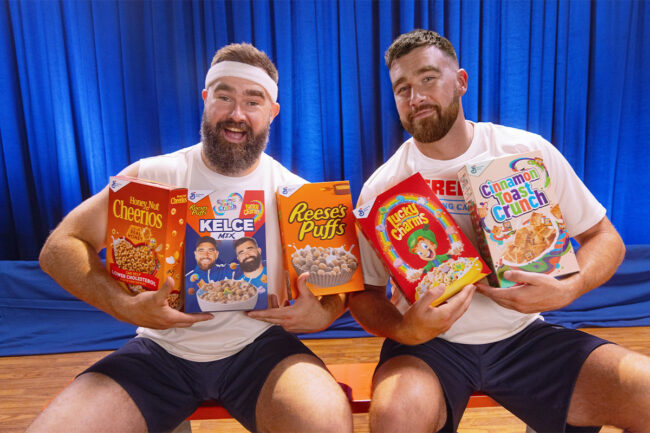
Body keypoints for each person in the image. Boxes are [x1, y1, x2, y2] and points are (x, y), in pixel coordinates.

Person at [31, 43, 352, 433]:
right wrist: (123, 306)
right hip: (161, 350)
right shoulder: (152, 176)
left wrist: (324, 313)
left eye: (253, 101)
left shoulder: (298, 195)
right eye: (224, 96)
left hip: (261, 350)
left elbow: (342, 285)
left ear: (273, 112)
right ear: (205, 99)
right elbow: (60, 246)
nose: (236, 114)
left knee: (325, 423)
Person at [349, 29, 650, 433]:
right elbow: (365, 296)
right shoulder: (383, 189)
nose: (416, 97)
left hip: (523, 336)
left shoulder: (525, 154)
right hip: (428, 348)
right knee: (393, 420)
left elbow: (604, 238)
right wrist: (405, 328)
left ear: (461, 82)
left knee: (644, 391)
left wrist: (569, 288)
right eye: (402, 88)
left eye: (428, 79)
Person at [185, 236, 227, 311]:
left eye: (210, 251)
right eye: (201, 250)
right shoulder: (186, 279)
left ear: (216, 254)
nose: (206, 255)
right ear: (195, 254)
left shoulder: (227, 270)